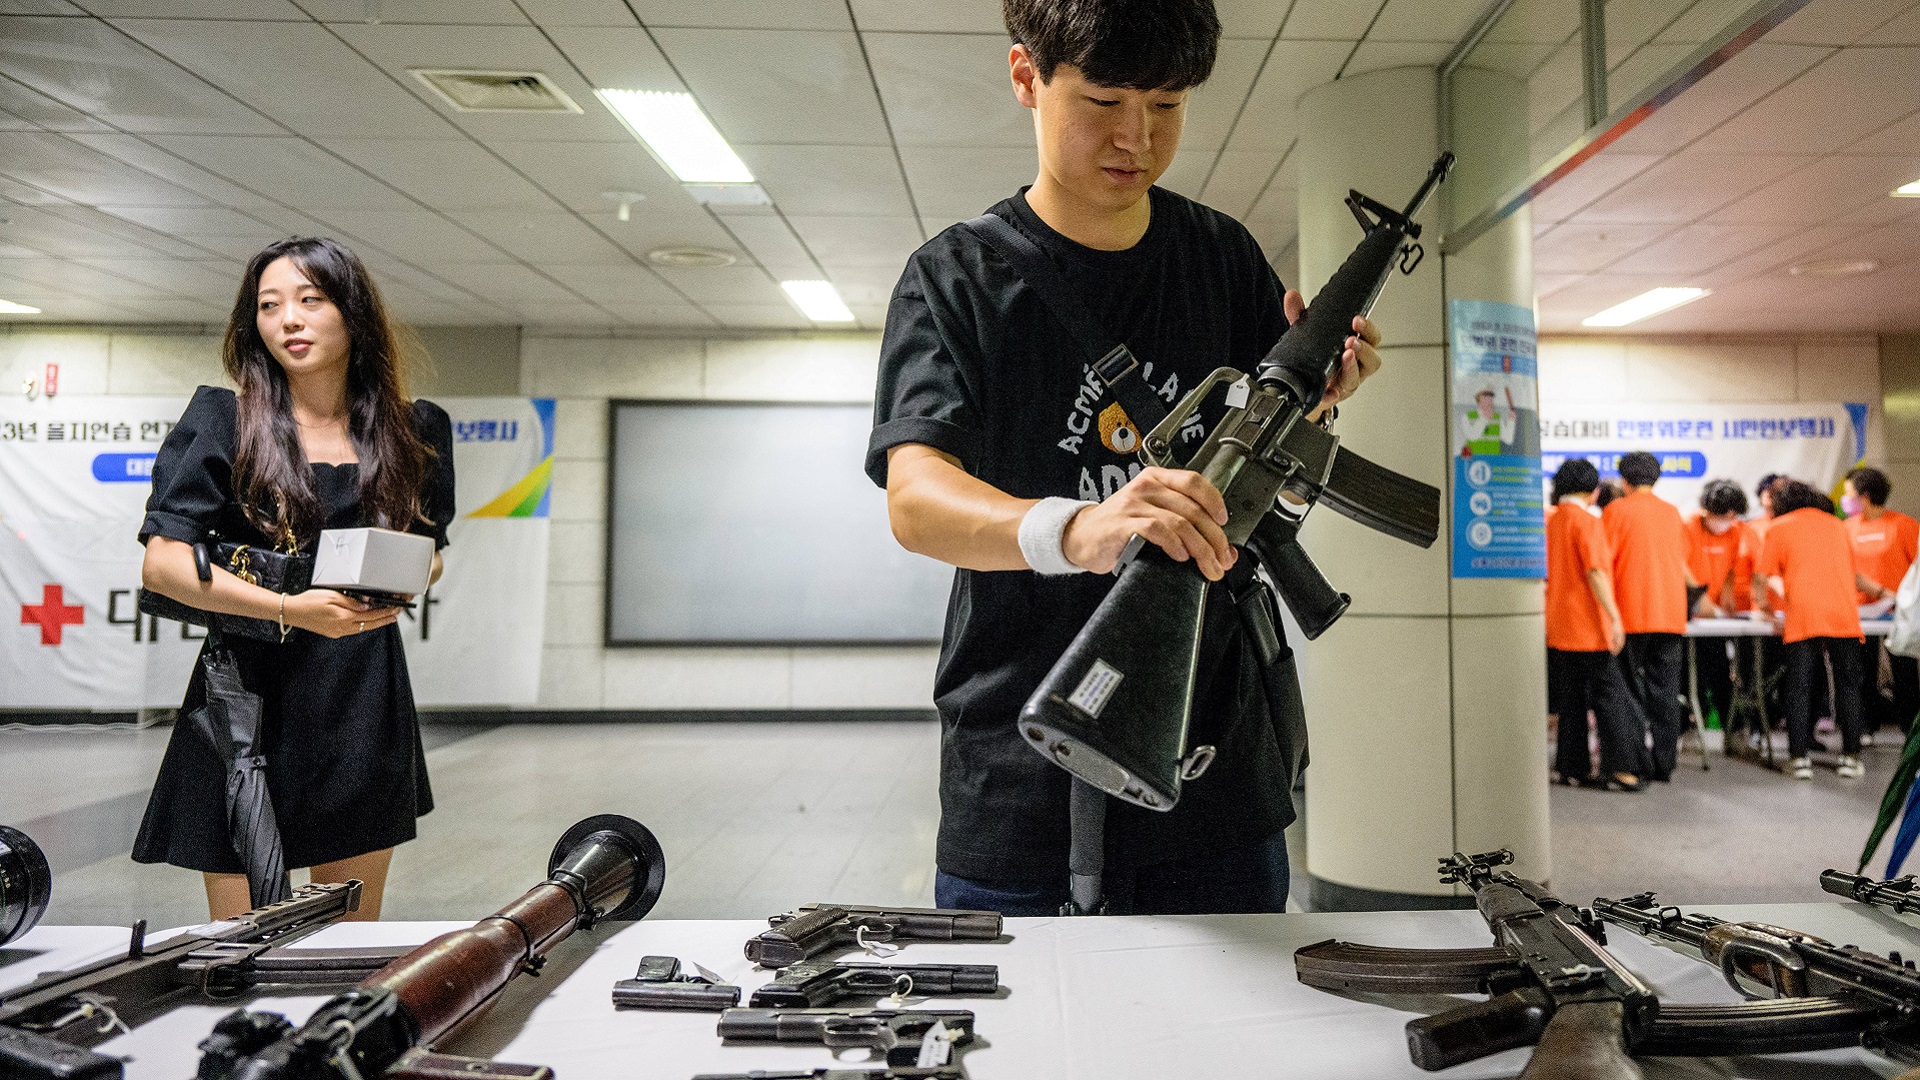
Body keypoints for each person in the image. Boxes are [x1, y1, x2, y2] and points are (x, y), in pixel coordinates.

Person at [868, 0, 1385, 916]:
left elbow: (1266, 450)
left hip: (1215, 774)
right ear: (1026, 75)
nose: (1136, 138)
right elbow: (915, 500)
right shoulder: (955, 278)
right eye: (1103, 99)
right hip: (1020, 772)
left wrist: (1323, 392)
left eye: (1168, 105)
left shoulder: (1221, 256)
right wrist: (1081, 527)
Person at [133, 237, 455, 920]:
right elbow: (163, 564)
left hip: (362, 694)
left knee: (349, 939)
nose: (289, 320)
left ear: (353, 314)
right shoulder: (225, 422)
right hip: (246, 698)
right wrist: (292, 608)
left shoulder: (412, 432)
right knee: (246, 944)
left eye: (311, 300)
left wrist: (402, 572)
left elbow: (432, 551)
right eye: (270, 305)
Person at [1757, 480, 1885, 779]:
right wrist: (1884, 592)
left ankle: (1799, 759)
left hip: (1804, 613)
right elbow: (1852, 575)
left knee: (1799, 686)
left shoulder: (1778, 527)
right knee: (1848, 686)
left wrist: (1768, 608)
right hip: (1843, 612)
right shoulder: (1837, 526)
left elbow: (1763, 577)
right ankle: (1852, 756)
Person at [1545, 458, 1643, 791]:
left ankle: (1572, 767)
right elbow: (1596, 572)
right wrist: (1615, 616)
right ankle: (1621, 768)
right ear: (1593, 490)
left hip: (1560, 624)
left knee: (1571, 697)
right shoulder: (1588, 522)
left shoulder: (1554, 522)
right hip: (1588, 624)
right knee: (1610, 696)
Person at [1603, 451, 1697, 781]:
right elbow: (1682, 562)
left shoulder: (1615, 511)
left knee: (1628, 691)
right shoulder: (1673, 513)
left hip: (1631, 615)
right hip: (1670, 615)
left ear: (1624, 480)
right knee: (1665, 692)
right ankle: (1664, 764)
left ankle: (1635, 760)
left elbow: (1604, 563)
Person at [1843, 465, 1916, 738]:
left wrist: (1888, 593)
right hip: (1858, 612)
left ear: (1865, 495)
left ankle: (1910, 727)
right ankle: (1864, 725)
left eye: (1849, 493)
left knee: (1905, 672)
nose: (1846, 499)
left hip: (1898, 611)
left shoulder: (1904, 526)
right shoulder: (1846, 528)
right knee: (1860, 670)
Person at [1684, 479, 1751, 729]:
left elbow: (1732, 567)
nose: (1723, 520)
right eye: (1718, 515)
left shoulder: (1735, 532)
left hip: (1714, 619)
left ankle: (1732, 728)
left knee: (1721, 673)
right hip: (1689, 613)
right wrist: (1699, 598)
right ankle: (1683, 727)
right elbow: (1679, 565)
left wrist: (1727, 594)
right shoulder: (1688, 526)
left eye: (1729, 516)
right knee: (1687, 677)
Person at [1459, 386, 1517, 457]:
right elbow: (1472, 436)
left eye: (1491, 395)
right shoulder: (1467, 416)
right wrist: (1484, 419)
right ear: (1478, 397)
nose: (1489, 398)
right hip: (1475, 463)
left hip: (1493, 462)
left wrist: (1511, 421)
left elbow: (1508, 439)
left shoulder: (1497, 417)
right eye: (1486, 394)